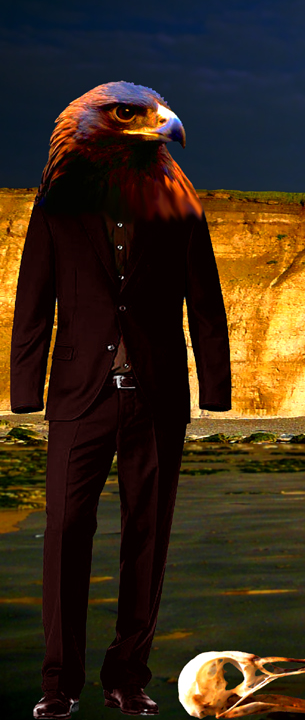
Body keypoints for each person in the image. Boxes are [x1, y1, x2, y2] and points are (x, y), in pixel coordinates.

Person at [12, 82, 232, 719]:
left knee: (147, 539)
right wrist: (24, 391)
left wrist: (214, 389)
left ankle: (127, 677)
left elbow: (206, 304)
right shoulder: (54, 208)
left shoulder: (182, 206)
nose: (164, 124)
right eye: (133, 114)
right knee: (64, 538)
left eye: (158, 113)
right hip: (79, 397)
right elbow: (34, 303)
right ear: (90, 124)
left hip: (158, 399)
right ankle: (59, 684)